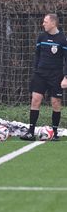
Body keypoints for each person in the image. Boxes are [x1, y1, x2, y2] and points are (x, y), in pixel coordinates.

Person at [21, 14, 67, 142]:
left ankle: (55, 133)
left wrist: (65, 77)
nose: (43, 24)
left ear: (53, 23)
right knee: (35, 100)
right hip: (40, 74)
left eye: (45, 22)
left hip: (56, 76)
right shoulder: (41, 37)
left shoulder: (62, 39)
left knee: (55, 103)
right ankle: (31, 132)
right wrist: (36, 70)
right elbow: (37, 54)